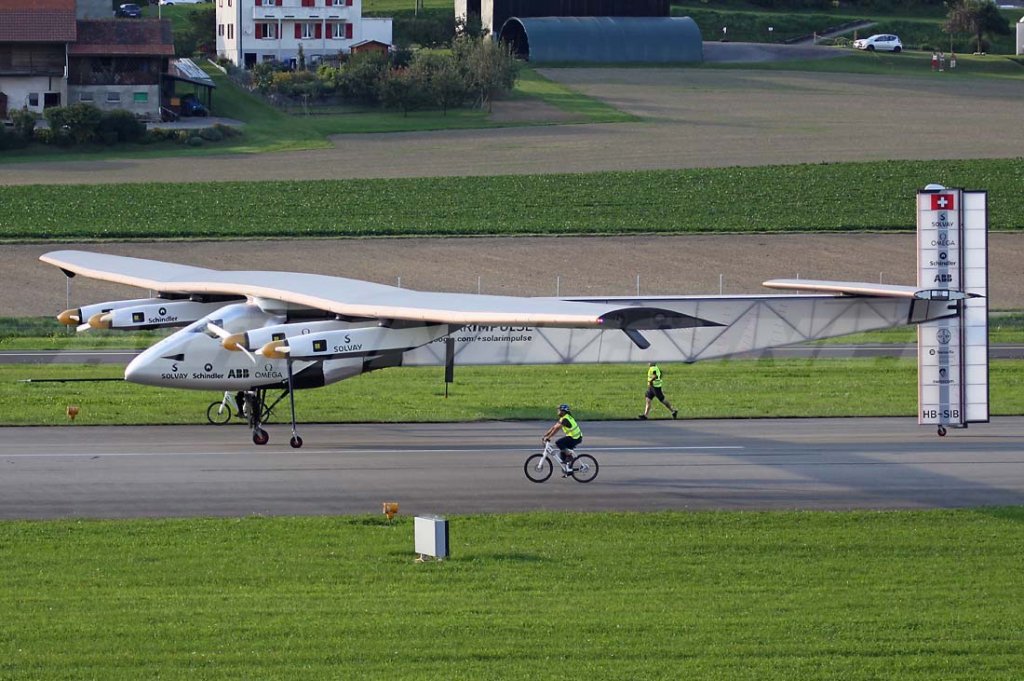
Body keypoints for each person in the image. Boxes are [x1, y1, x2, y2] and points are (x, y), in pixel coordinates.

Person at [542, 404, 582, 474]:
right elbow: (554, 427)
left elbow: (557, 429)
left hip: (575, 438)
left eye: (559, 410)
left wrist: (549, 437)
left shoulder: (565, 419)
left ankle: (569, 456)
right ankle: (569, 469)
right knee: (562, 454)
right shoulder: (563, 418)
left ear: (563, 411)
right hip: (573, 437)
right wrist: (546, 434)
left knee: (559, 443)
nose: (558, 411)